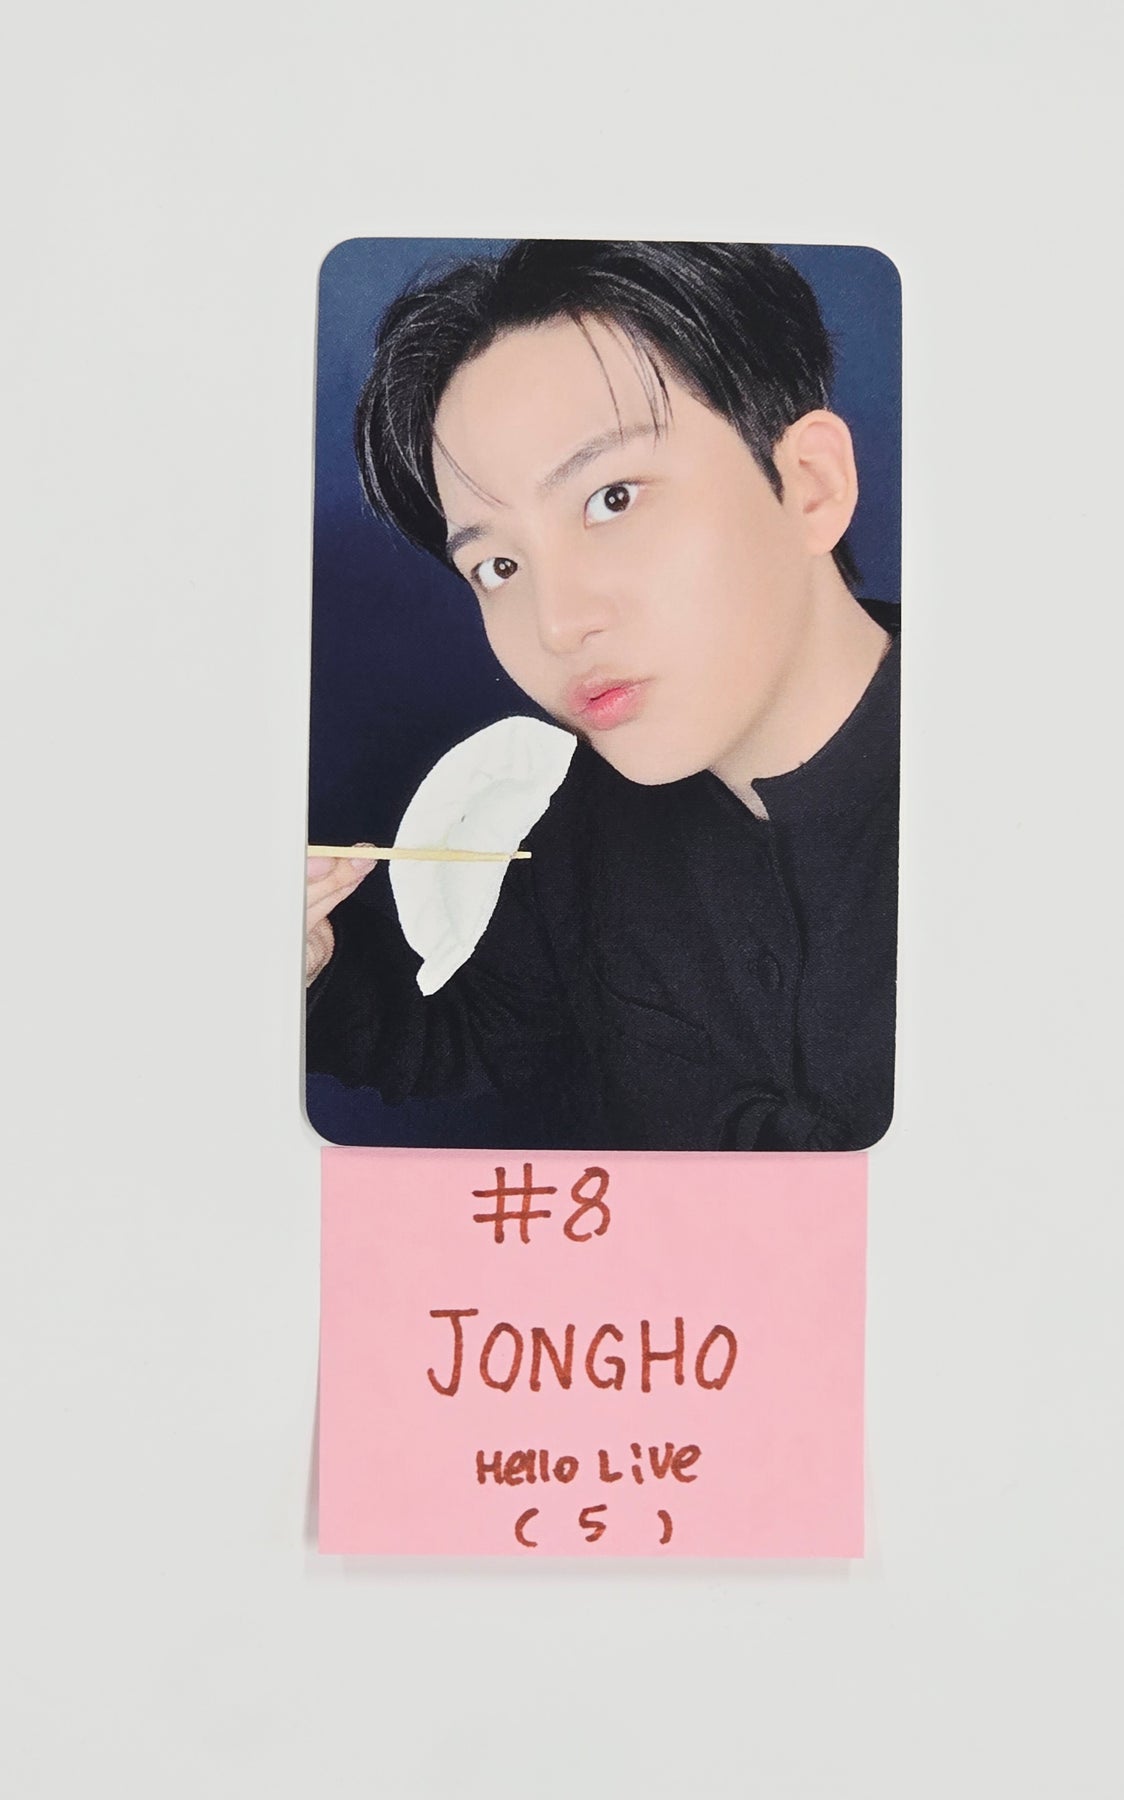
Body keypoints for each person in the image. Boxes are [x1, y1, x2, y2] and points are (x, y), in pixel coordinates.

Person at [306, 240, 898, 1151]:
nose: (556, 625)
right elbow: (476, 1038)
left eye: (613, 498)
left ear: (809, 486)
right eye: (498, 565)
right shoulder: (585, 814)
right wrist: (311, 968)